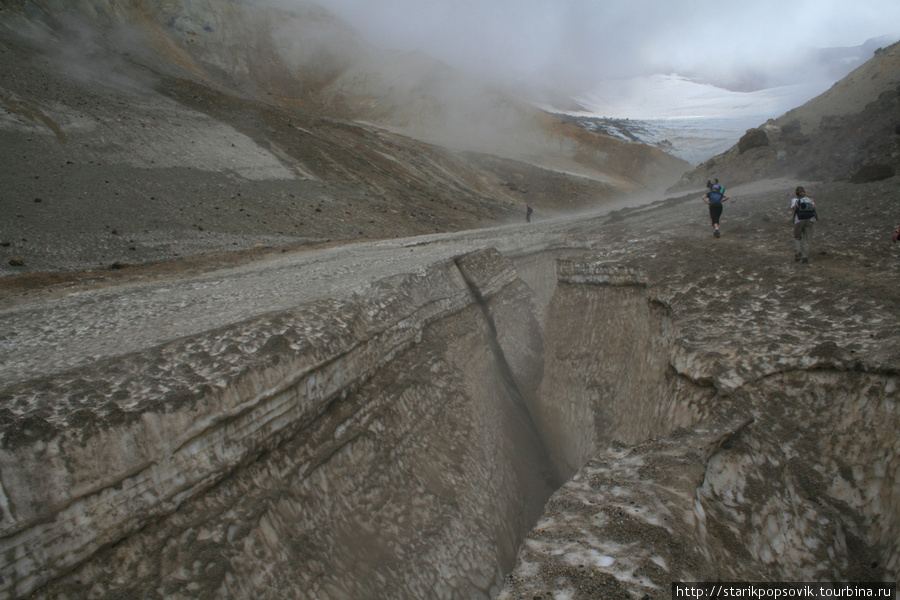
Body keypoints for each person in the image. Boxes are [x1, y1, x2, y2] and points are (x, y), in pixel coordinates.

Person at [790, 186, 818, 263]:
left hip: (798, 220)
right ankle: (805, 256)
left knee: (797, 238)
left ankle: (797, 254)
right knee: (807, 239)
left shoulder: (795, 200)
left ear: (796, 193)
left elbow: (794, 208)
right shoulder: (810, 199)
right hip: (809, 221)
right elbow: (814, 207)